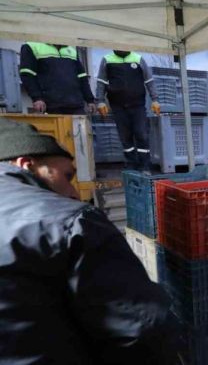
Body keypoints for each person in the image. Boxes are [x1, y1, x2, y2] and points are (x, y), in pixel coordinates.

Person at [0, 118, 176, 363]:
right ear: (27, 165)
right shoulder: (68, 220)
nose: (73, 193)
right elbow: (141, 327)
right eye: (66, 176)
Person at [95, 50, 160, 171]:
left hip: (138, 105)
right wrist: (100, 101)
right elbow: (101, 82)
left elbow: (149, 80)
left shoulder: (138, 59)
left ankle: (145, 165)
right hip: (118, 107)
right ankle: (131, 164)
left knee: (142, 134)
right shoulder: (107, 60)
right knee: (125, 137)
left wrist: (155, 99)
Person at [19, 42, 96, 114]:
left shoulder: (71, 50)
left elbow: (82, 77)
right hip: (50, 106)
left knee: (80, 128)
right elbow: (27, 75)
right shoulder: (31, 46)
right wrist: (37, 98)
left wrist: (90, 100)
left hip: (76, 105)